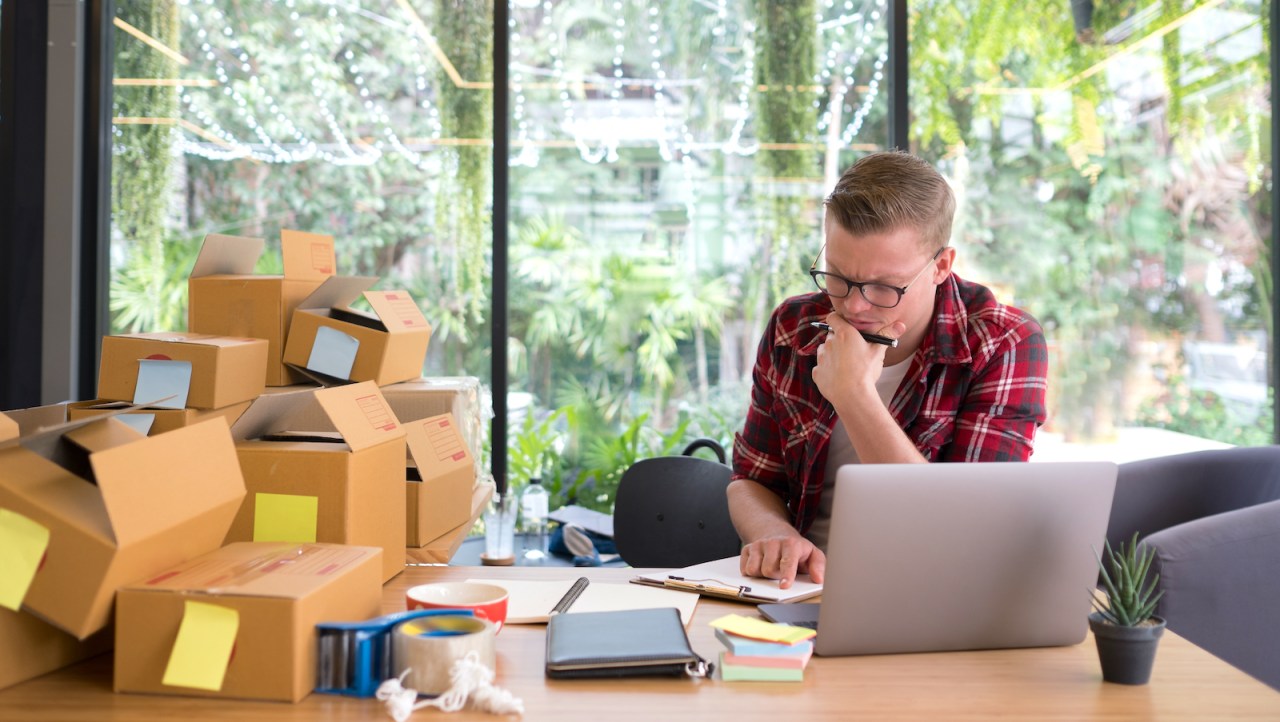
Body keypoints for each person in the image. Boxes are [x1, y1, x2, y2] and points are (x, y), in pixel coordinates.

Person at [728, 150, 1048, 588]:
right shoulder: (794, 327)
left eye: (883, 287)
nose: (854, 305)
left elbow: (962, 533)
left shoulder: (1003, 342)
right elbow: (751, 479)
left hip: (932, 593)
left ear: (940, 267)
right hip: (800, 591)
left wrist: (853, 394)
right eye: (838, 276)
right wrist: (773, 532)